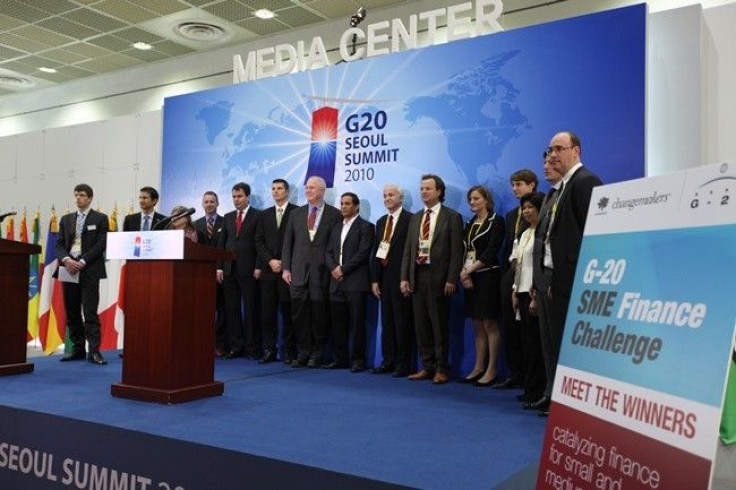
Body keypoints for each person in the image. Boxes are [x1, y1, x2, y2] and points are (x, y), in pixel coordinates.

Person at [539, 130, 603, 415]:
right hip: (558, 279)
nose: (553, 154)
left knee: (573, 348)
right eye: (550, 150)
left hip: (576, 281)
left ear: (575, 151)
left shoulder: (585, 181)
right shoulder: (562, 187)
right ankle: (559, 401)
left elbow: (594, 232)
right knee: (557, 345)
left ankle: (574, 409)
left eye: (559, 149)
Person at [400, 174, 464, 385]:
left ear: (439, 191)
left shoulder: (451, 217)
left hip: (440, 278)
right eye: (421, 189)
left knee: (439, 326)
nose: (423, 192)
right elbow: (409, 250)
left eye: (428, 188)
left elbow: (456, 252)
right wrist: (405, 278)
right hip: (417, 276)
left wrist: (451, 279)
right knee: (422, 325)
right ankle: (426, 366)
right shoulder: (416, 217)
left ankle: (441, 369)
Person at [281, 176, 341, 368]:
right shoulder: (296, 214)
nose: (308, 191)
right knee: (299, 316)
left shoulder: (334, 214)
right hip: (297, 272)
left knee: (319, 315)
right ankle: (304, 352)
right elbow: (287, 244)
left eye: (312, 188)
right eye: (307, 187)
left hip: (322, 273)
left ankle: (318, 353)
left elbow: (336, 245)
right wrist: (286, 268)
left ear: (323, 191)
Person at [55, 184, 109, 365]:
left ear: (90, 198)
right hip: (69, 270)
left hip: (89, 270)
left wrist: (83, 261)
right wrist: (67, 260)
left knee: (90, 311)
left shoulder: (100, 218)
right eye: (75, 195)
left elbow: (101, 244)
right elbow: (59, 245)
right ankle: (77, 349)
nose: (78, 198)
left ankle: (94, 351)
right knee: (72, 311)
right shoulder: (66, 219)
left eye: (82, 195)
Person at [494, 169, 538, 389]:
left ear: (532, 185)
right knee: (510, 326)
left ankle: (532, 378)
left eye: (519, 184)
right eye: (512, 185)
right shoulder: (512, 215)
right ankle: (515, 371)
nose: (515, 189)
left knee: (529, 330)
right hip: (512, 272)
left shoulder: (544, 207)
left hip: (531, 273)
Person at [324, 192, 375, 372]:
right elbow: (328, 252)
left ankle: (358, 361)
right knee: (338, 324)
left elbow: (363, 253)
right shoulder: (336, 227)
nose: (343, 207)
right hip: (336, 282)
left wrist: (342, 269)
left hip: (355, 282)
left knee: (357, 323)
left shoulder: (366, 227)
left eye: (347, 204)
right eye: (342, 203)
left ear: (356, 206)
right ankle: (340, 359)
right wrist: (333, 269)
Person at [459, 185, 505, 387]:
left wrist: (470, 270)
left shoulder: (496, 221)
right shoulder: (469, 224)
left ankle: (492, 368)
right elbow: (464, 250)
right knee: (477, 324)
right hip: (470, 278)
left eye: (476, 198)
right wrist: (464, 273)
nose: (473, 202)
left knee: (489, 323)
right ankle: (478, 366)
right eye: (470, 199)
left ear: (486, 200)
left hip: (488, 276)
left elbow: (491, 250)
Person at [370, 184, 414, 378]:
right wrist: (374, 280)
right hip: (383, 278)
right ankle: (388, 361)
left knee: (402, 322)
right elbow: (376, 253)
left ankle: (403, 364)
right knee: (387, 322)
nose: (387, 198)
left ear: (401, 198)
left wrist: (407, 278)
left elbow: (411, 252)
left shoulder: (411, 220)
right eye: (384, 195)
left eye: (391, 195)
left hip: (401, 278)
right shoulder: (380, 222)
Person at [532, 153, 563, 413]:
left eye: (551, 163)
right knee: (546, 342)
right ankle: (549, 391)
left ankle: (559, 397)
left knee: (558, 341)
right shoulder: (549, 196)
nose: (547, 167)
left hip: (558, 277)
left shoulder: (571, 191)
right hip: (542, 277)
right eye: (544, 164)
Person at [217, 182, 262, 360]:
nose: (236, 200)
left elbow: (260, 243)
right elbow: (222, 244)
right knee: (232, 310)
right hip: (229, 270)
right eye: (234, 197)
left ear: (248, 197)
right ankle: (236, 347)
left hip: (249, 270)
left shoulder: (258, 216)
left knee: (251, 310)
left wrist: (258, 265)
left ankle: (252, 348)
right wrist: (219, 266)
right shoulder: (228, 217)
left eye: (240, 196)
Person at [254, 179, 297, 364]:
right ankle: (269, 350)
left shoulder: (297, 212)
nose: (276, 191)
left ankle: (289, 351)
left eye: (279, 188)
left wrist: (284, 262)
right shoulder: (264, 215)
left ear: (287, 191)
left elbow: (298, 242)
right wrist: (270, 261)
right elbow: (258, 241)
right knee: (267, 313)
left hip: (288, 271)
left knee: (288, 312)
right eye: (273, 189)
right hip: (269, 271)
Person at [511, 191, 547, 407]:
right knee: (526, 342)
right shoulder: (524, 234)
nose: (526, 211)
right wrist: (514, 290)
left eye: (530, 207)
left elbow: (540, 266)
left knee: (537, 344)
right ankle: (530, 388)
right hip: (522, 291)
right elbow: (518, 264)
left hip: (535, 293)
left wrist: (534, 294)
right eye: (523, 208)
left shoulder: (543, 233)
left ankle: (540, 391)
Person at [194, 191, 227, 357]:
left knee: (221, 311)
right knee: (202, 311)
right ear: (202, 204)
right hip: (201, 275)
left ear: (218, 203)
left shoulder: (225, 222)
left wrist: (219, 267)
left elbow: (225, 248)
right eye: (206, 202)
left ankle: (219, 345)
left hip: (220, 274)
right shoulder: (196, 224)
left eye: (212, 201)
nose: (209, 204)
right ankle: (202, 344)